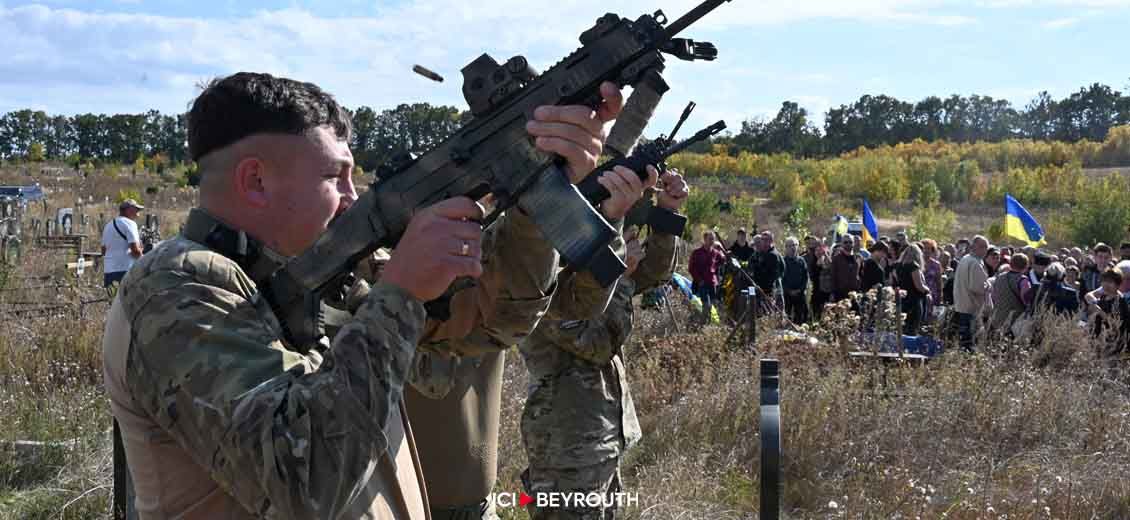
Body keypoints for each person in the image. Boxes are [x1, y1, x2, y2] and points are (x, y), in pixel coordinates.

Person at [101, 71, 628, 519]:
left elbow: (491, 323)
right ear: (256, 181)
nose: (355, 197)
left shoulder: (327, 277)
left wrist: (541, 185)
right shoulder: (177, 287)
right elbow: (304, 482)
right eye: (336, 176)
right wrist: (399, 293)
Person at [519, 178, 687, 520]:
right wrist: (621, 275)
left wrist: (666, 215)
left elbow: (654, 274)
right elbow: (598, 344)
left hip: (600, 439)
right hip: (567, 447)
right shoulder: (540, 286)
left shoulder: (584, 271)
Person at [953, 236, 990, 351]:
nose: (984, 250)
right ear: (973, 246)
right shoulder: (975, 263)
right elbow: (976, 287)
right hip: (971, 307)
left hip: (962, 304)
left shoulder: (965, 259)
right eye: (982, 247)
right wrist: (988, 286)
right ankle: (968, 364)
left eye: (986, 247)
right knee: (970, 342)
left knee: (964, 340)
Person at [100, 198, 144, 288]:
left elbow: (103, 251)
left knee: (113, 301)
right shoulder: (130, 224)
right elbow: (135, 251)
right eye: (136, 209)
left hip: (109, 272)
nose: (138, 213)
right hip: (125, 270)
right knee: (130, 301)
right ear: (129, 210)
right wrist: (144, 259)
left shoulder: (108, 225)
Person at [988, 253, 1033, 339]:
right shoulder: (1023, 281)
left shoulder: (1000, 277)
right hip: (1014, 320)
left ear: (1011, 263)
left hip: (997, 318)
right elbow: (1027, 301)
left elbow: (993, 296)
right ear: (1026, 266)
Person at [689, 230, 726, 322]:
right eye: (710, 239)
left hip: (712, 283)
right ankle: (703, 324)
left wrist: (725, 253)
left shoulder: (716, 253)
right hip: (701, 283)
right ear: (704, 240)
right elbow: (691, 268)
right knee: (705, 305)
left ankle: (712, 324)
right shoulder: (697, 253)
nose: (712, 241)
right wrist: (699, 279)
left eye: (713, 239)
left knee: (714, 305)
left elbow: (723, 260)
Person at [895, 244, 931, 336]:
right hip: (914, 300)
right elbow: (918, 286)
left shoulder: (899, 266)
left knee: (902, 327)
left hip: (902, 299)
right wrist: (927, 289)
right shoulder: (913, 266)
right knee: (913, 328)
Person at [781, 236, 809, 324]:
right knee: (786, 317)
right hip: (786, 295)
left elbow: (805, 277)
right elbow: (780, 279)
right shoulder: (782, 261)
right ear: (786, 248)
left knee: (801, 317)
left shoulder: (801, 261)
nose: (793, 247)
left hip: (799, 294)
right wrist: (788, 290)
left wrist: (800, 290)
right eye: (790, 246)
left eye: (795, 245)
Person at [753, 230, 785, 298]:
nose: (764, 241)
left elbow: (775, 275)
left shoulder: (773, 255)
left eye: (766, 239)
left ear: (771, 241)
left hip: (769, 291)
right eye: (762, 239)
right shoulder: (760, 253)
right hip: (759, 289)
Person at [831, 234, 861, 303]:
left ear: (853, 243)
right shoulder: (836, 258)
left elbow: (861, 274)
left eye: (850, 242)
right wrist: (832, 293)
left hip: (854, 293)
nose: (848, 244)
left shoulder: (858, 257)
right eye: (845, 242)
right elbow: (833, 276)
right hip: (840, 293)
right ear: (841, 244)